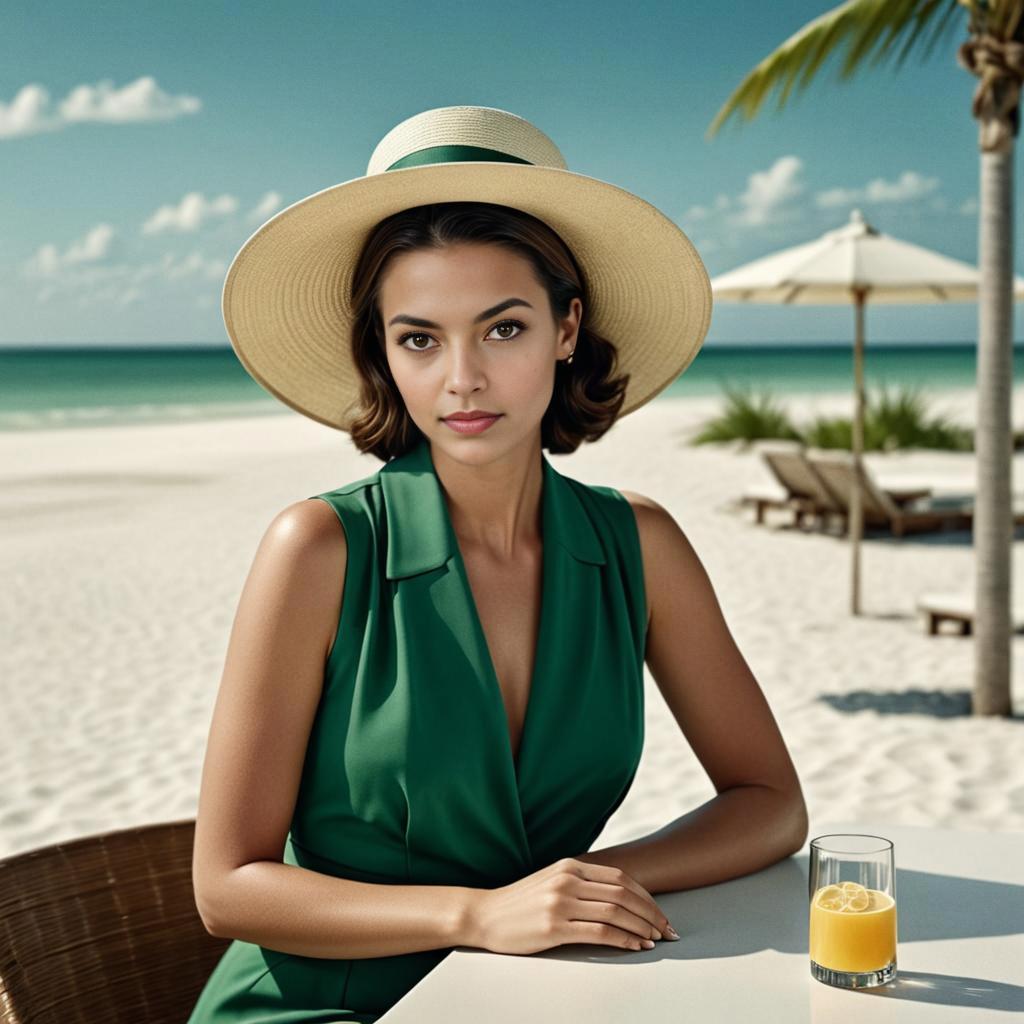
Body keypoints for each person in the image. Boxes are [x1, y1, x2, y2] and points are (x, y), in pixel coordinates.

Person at [186, 105, 808, 1023]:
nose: (462, 379)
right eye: (420, 338)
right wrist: (480, 914)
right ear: (384, 355)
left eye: (503, 329)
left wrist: (585, 884)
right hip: (329, 1006)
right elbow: (227, 888)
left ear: (567, 328)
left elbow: (771, 804)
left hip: (544, 993)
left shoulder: (638, 544)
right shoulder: (318, 549)